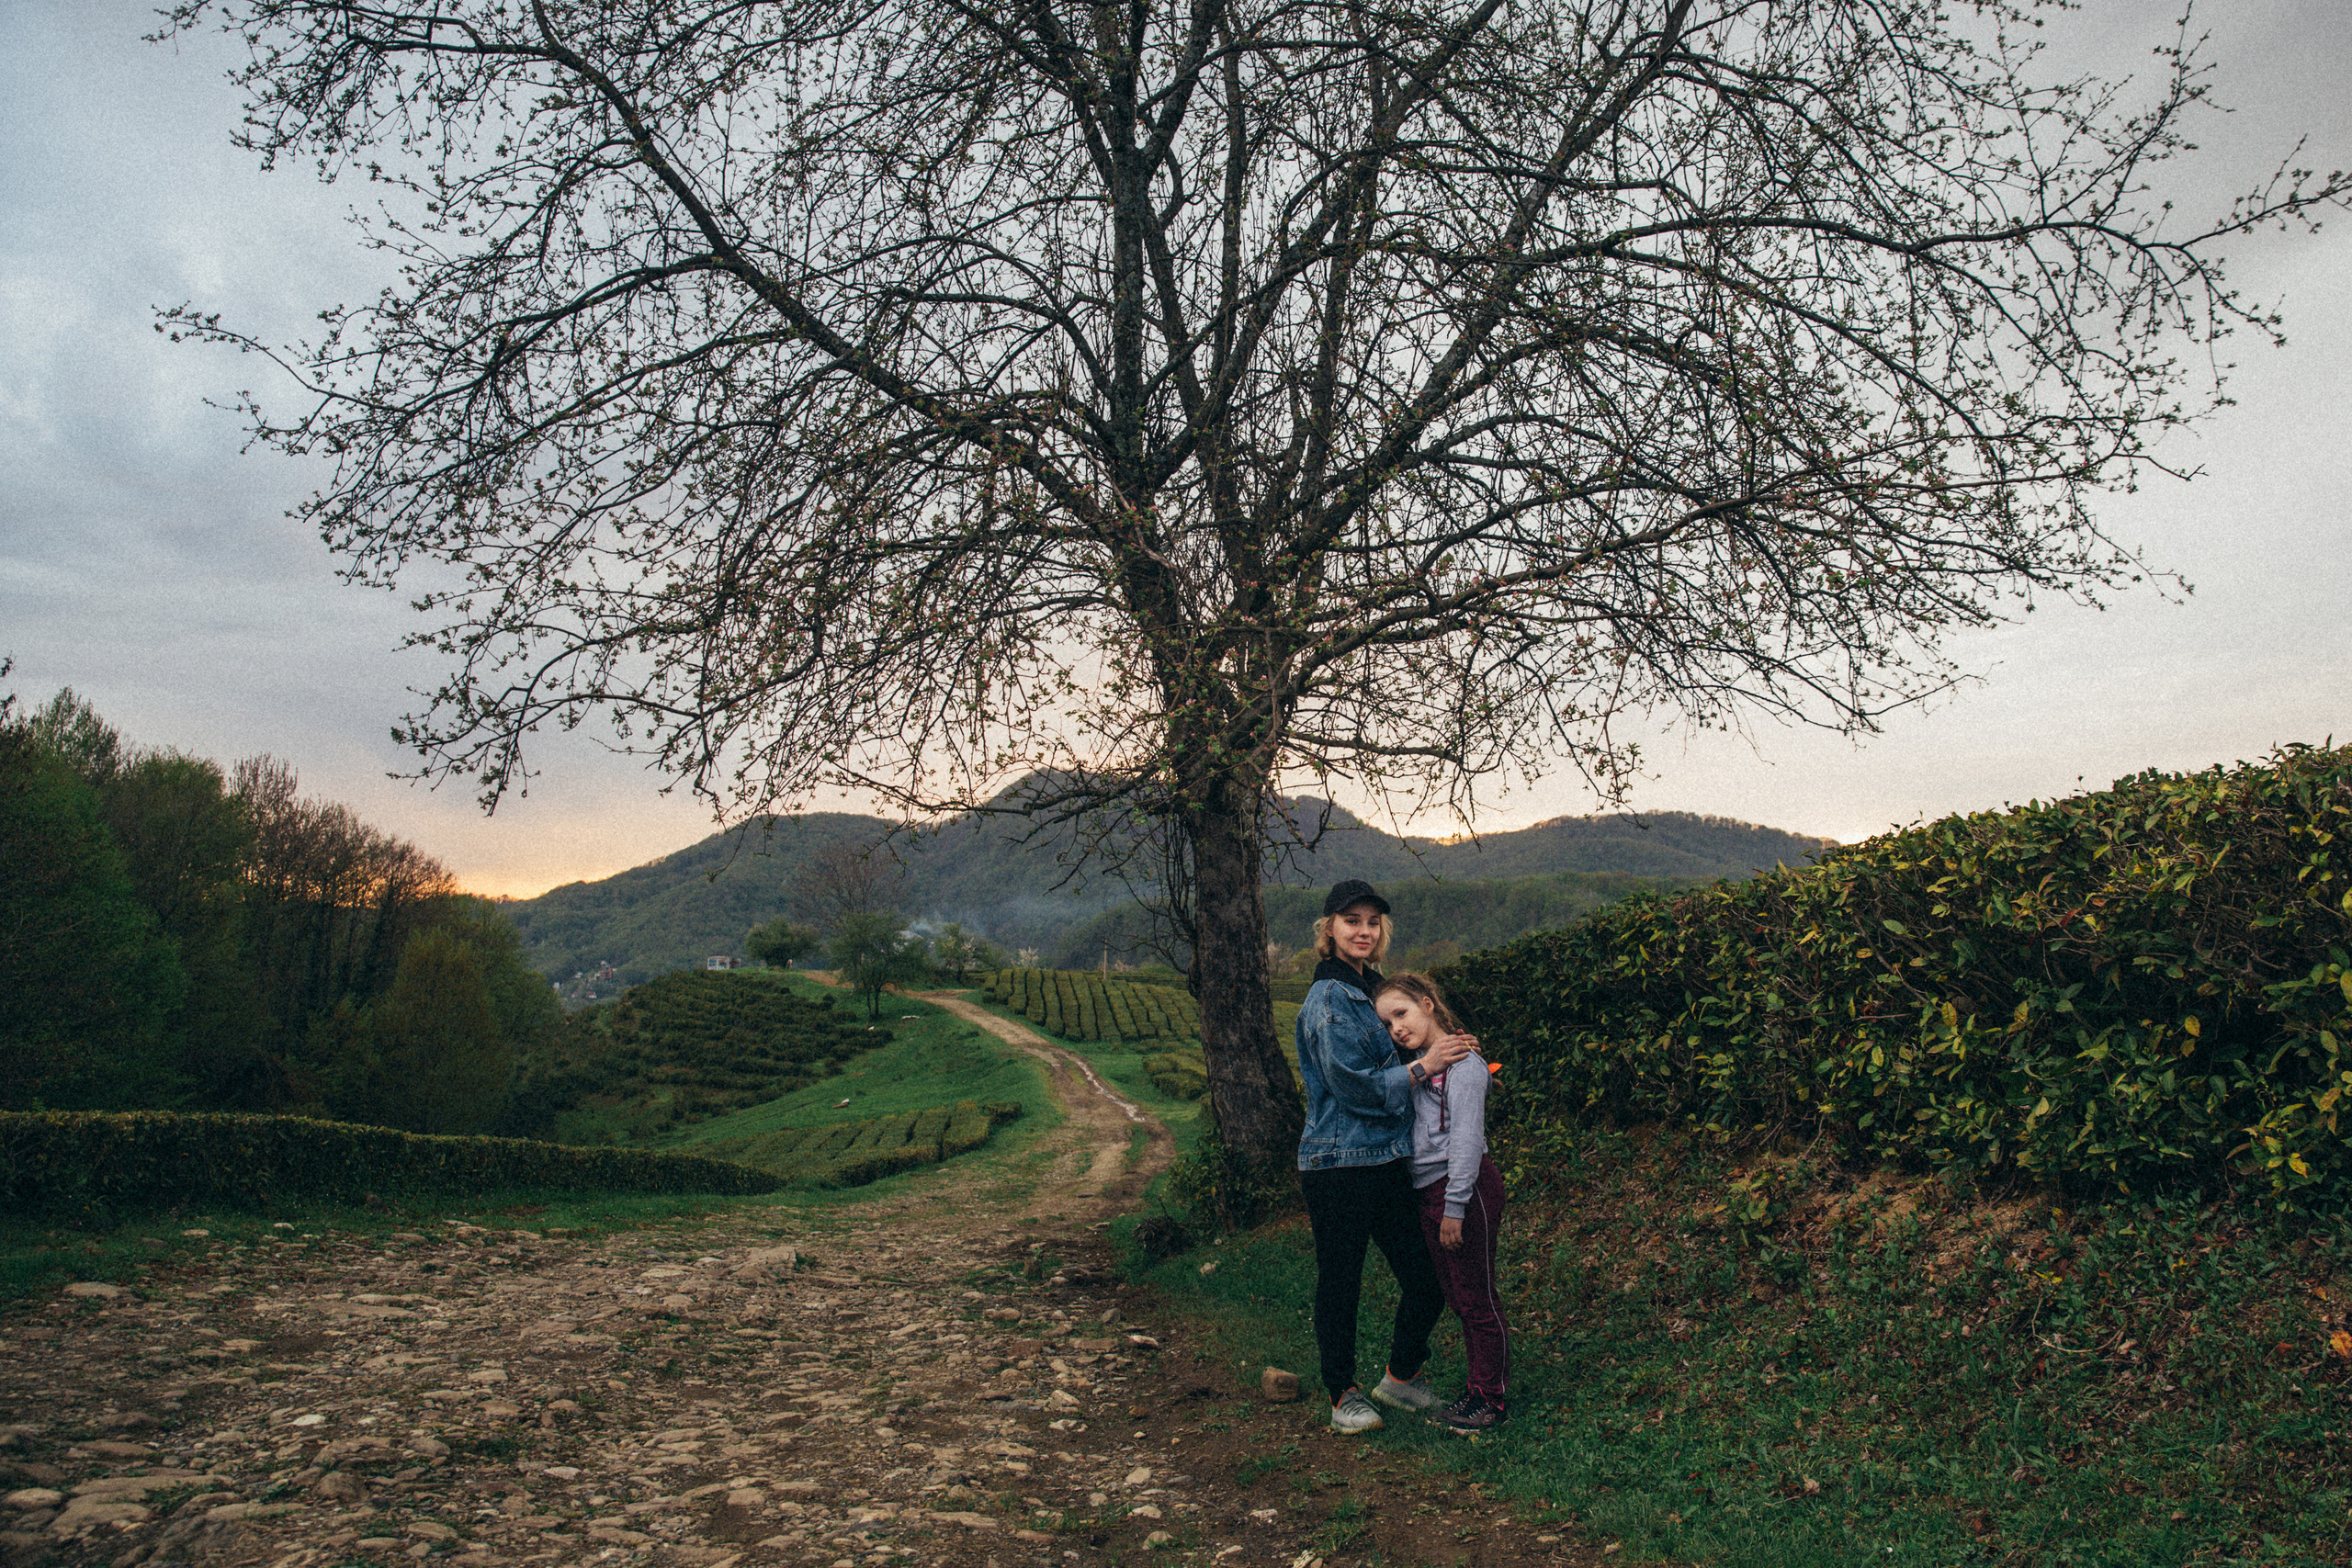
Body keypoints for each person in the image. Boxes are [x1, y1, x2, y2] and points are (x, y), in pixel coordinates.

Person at [1294, 879, 1476, 1433]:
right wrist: (1427, 1065)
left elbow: (1406, 1040)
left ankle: (1400, 1376)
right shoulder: (1329, 998)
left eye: (1372, 922)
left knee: (1425, 1276)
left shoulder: (1372, 990)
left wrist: (1447, 1050)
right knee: (1341, 1281)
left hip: (1389, 1160)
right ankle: (1341, 1394)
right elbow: (1354, 1086)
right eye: (1352, 921)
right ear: (1329, 929)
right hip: (1339, 1164)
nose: (1364, 931)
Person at [1374, 971, 1510, 1432]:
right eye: (1388, 1023)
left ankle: (1489, 1400)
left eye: (1402, 1013)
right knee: (1458, 1298)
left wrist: (1455, 1207)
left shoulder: (1464, 1066)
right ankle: (1477, 1389)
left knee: (1477, 1299)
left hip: (1464, 1190)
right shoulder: (1421, 1065)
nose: (1397, 1028)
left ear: (1428, 1005)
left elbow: (1467, 1141)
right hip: (1431, 1191)